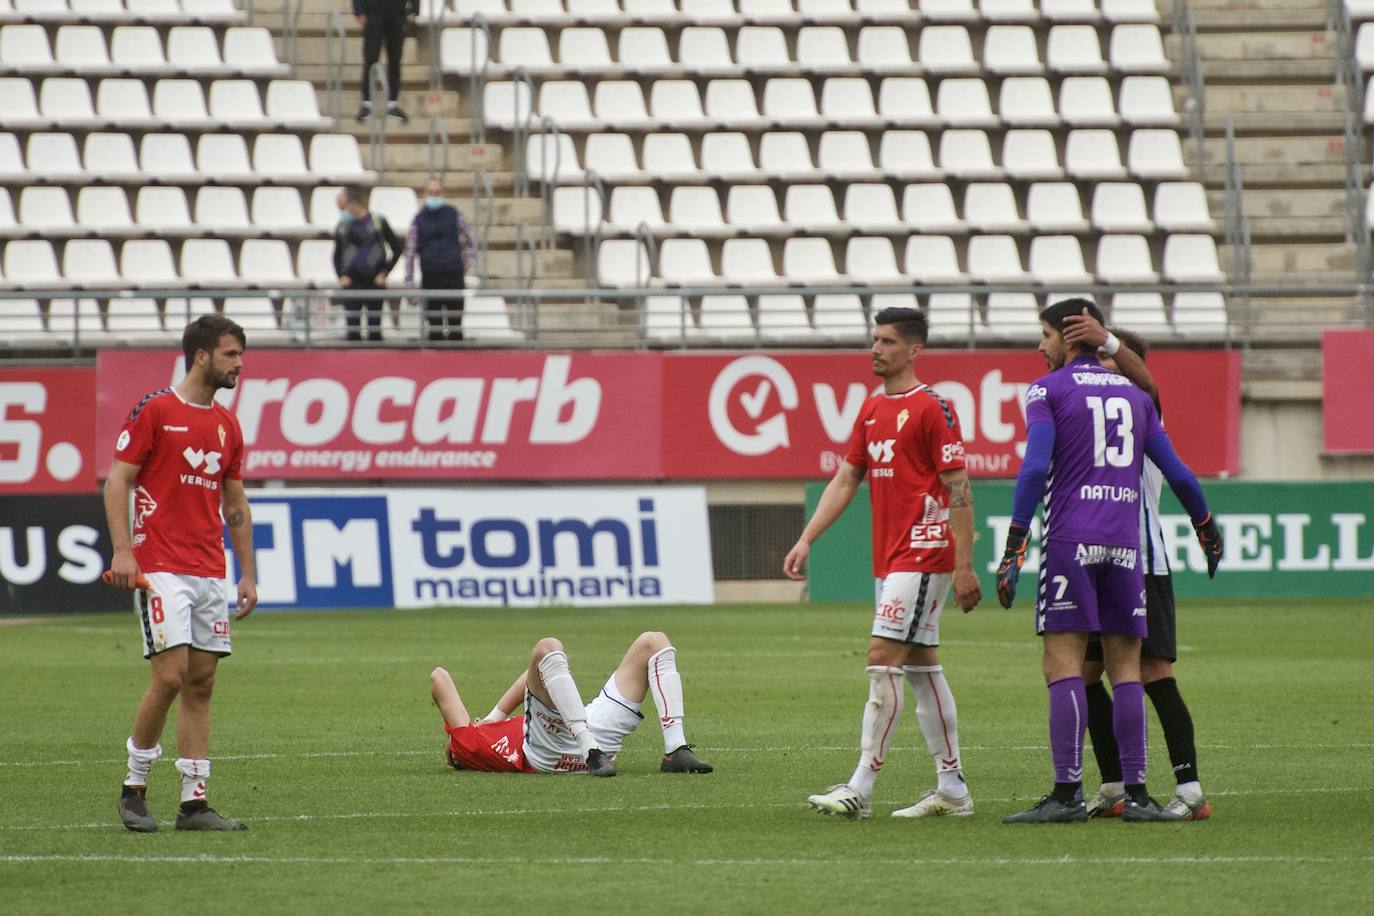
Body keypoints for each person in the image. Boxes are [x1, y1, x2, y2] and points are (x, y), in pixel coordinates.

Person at [996, 298, 1223, 824]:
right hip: (1128, 547)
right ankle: (1138, 794)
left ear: (1069, 337)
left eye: (1046, 334)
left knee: (1063, 664)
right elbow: (1182, 474)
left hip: (1072, 540)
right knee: (1125, 669)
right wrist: (1205, 523)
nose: (1040, 345)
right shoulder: (1138, 398)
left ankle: (1067, 792)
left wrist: (1014, 543)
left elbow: (1033, 471)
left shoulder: (1046, 390)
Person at [784, 306, 982, 820]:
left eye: (887, 341)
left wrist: (964, 564)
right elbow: (847, 478)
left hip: (923, 549)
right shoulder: (872, 410)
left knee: (881, 658)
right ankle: (953, 788)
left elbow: (959, 486)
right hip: (891, 557)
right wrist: (808, 538)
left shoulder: (933, 408)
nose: (875, 348)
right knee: (921, 669)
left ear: (914, 349)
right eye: (874, 340)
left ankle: (860, 787)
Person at [104, 314, 259, 833]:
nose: (239, 364)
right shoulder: (156, 410)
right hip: (160, 568)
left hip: (209, 571)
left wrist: (247, 574)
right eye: (231, 354)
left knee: (202, 684)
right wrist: (124, 551)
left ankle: (194, 803)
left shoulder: (227, 424)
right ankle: (134, 787)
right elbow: (117, 481)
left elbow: (234, 503)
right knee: (168, 677)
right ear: (202, 356)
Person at [1061, 311, 1213, 821]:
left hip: (1143, 560)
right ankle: (1113, 785)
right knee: (1082, 674)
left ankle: (1189, 789)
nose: (1101, 365)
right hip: (1097, 559)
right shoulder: (1090, 410)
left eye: (1110, 357)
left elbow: (1146, 383)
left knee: (1152, 670)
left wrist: (1106, 341)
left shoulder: (1142, 405)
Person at [431, 631, 714, 777]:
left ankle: (675, 749)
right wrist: (458, 738)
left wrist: (494, 717)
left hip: (579, 731)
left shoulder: (477, 741)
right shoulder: (467, 744)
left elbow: (532, 675)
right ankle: (590, 749)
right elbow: (439, 677)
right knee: (546, 647)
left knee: (654, 642)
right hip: (546, 752)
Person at [403, 176, 477, 342]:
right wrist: (409, 281)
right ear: (424, 193)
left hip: (453, 273)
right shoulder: (418, 219)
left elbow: (471, 240)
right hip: (430, 275)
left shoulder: (455, 214)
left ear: (443, 193)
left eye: (437, 192)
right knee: (434, 326)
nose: (434, 196)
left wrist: (467, 262)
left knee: (455, 325)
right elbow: (410, 251)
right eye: (430, 192)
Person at [333, 185, 402, 342]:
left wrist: (385, 272)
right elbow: (336, 255)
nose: (342, 212)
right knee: (353, 333)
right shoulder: (342, 227)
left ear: (354, 203)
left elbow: (397, 249)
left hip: (374, 283)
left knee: (374, 331)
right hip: (351, 284)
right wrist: (341, 275)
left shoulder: (379, 222)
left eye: (343, 208)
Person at [355, 0, 417, 122]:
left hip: (398, 11)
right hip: (373, 11)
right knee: (371, 58)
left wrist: (415, 7)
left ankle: (392, 104)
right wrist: (359, 10)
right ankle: (367, 103)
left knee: (395, 59)